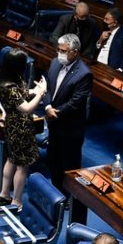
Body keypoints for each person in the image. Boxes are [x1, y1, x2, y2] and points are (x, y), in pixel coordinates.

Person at [0, 49, 48, 210]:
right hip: (20, 128)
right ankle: (16, 201)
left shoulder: (8, 77)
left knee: (12, 159)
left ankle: (4, 195)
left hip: (15, 124)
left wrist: (34, 91)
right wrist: (41, 93)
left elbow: (22, 94)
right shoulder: (8, 86)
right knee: (22, 165)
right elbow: (26, 108)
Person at [42, 34, 93, 195]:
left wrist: (54, 114)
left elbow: (75, 103)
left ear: (75, 52)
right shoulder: (55, 62)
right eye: (58, 49)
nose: (59, 53)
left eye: (63, 51)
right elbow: (48, 88)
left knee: (69, 165)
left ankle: (69, 196)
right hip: (54, 124)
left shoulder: (84, 74)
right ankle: (56, 193)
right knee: (53, 161)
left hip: (70, 128)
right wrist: (48, 106)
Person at [96, 8, 123, 75]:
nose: (104, 21)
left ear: (115, 23)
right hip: (97, 64)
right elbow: (96, 50)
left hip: (109, 70)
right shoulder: (106, 30)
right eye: (104, 18)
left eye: (107, 19)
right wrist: (100, 41)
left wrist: (121, 69)